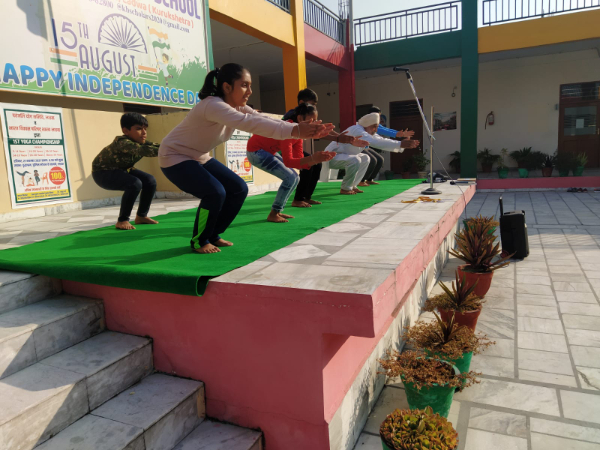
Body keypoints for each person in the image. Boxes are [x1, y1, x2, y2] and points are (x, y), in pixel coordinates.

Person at [159, 63, 333, 254]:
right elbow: (250, 123)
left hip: (198, 156)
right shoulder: (213, 105)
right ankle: (199, 241)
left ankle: (213, 234)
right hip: (174, 155)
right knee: (215, 192)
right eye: (244, 85)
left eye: (250, 86)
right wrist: (296, 130)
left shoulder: (237, 107)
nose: (249, 91)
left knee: (238, 188)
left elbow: (263, 119)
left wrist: (297, 130)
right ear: (227, 87)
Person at [246, 104, 335, 223]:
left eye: (316, 121)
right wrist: (313, 159)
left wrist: (315, 160)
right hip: (256, 152)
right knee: (290, 178)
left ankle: (277, 211)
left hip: (266, 151)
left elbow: (299, 161)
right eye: (312, 121)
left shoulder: (298, 134)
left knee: (295, 177)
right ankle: (274, 213)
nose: (315, 125)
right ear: (300, 118)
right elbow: (289, 162)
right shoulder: (288, 130)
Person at [92, 112, 160, 230]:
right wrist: (170, 151)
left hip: (123, 169)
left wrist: (176, 147)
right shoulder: (123, 143)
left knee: (150, 180)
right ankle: (122, 220)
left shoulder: (140, 142)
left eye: (145, 129)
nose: (144, 132)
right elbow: (144, 150)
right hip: (103, 173)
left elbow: (159, 146)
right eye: (138, 129)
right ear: (126, 131)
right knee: (134, 183)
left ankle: (141, 216)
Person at [324, 112, 420, 195]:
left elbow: (380, 139)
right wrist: (400, 144)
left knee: (365, 158)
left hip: (344, 157)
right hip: (331, 157)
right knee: (355, 159)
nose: (376, 130)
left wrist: (400, 144)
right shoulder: (358, 130)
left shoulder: (367, 131)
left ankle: (353, 185)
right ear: (367, 124)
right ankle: (345, 188)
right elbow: (375, 142)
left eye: (377, 127)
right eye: (374, 127)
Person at [358, 106, 416, 186]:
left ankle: (369, 179)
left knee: (380, 159)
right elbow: (378, 136)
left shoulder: (373, 125)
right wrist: (399, 139)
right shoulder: (363, 125)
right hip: (357, 148)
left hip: (365, 147)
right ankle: (361, 180)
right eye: (378, 116)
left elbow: (384, 131)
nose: (376, 128)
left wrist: (399, 134)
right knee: (372, 160)